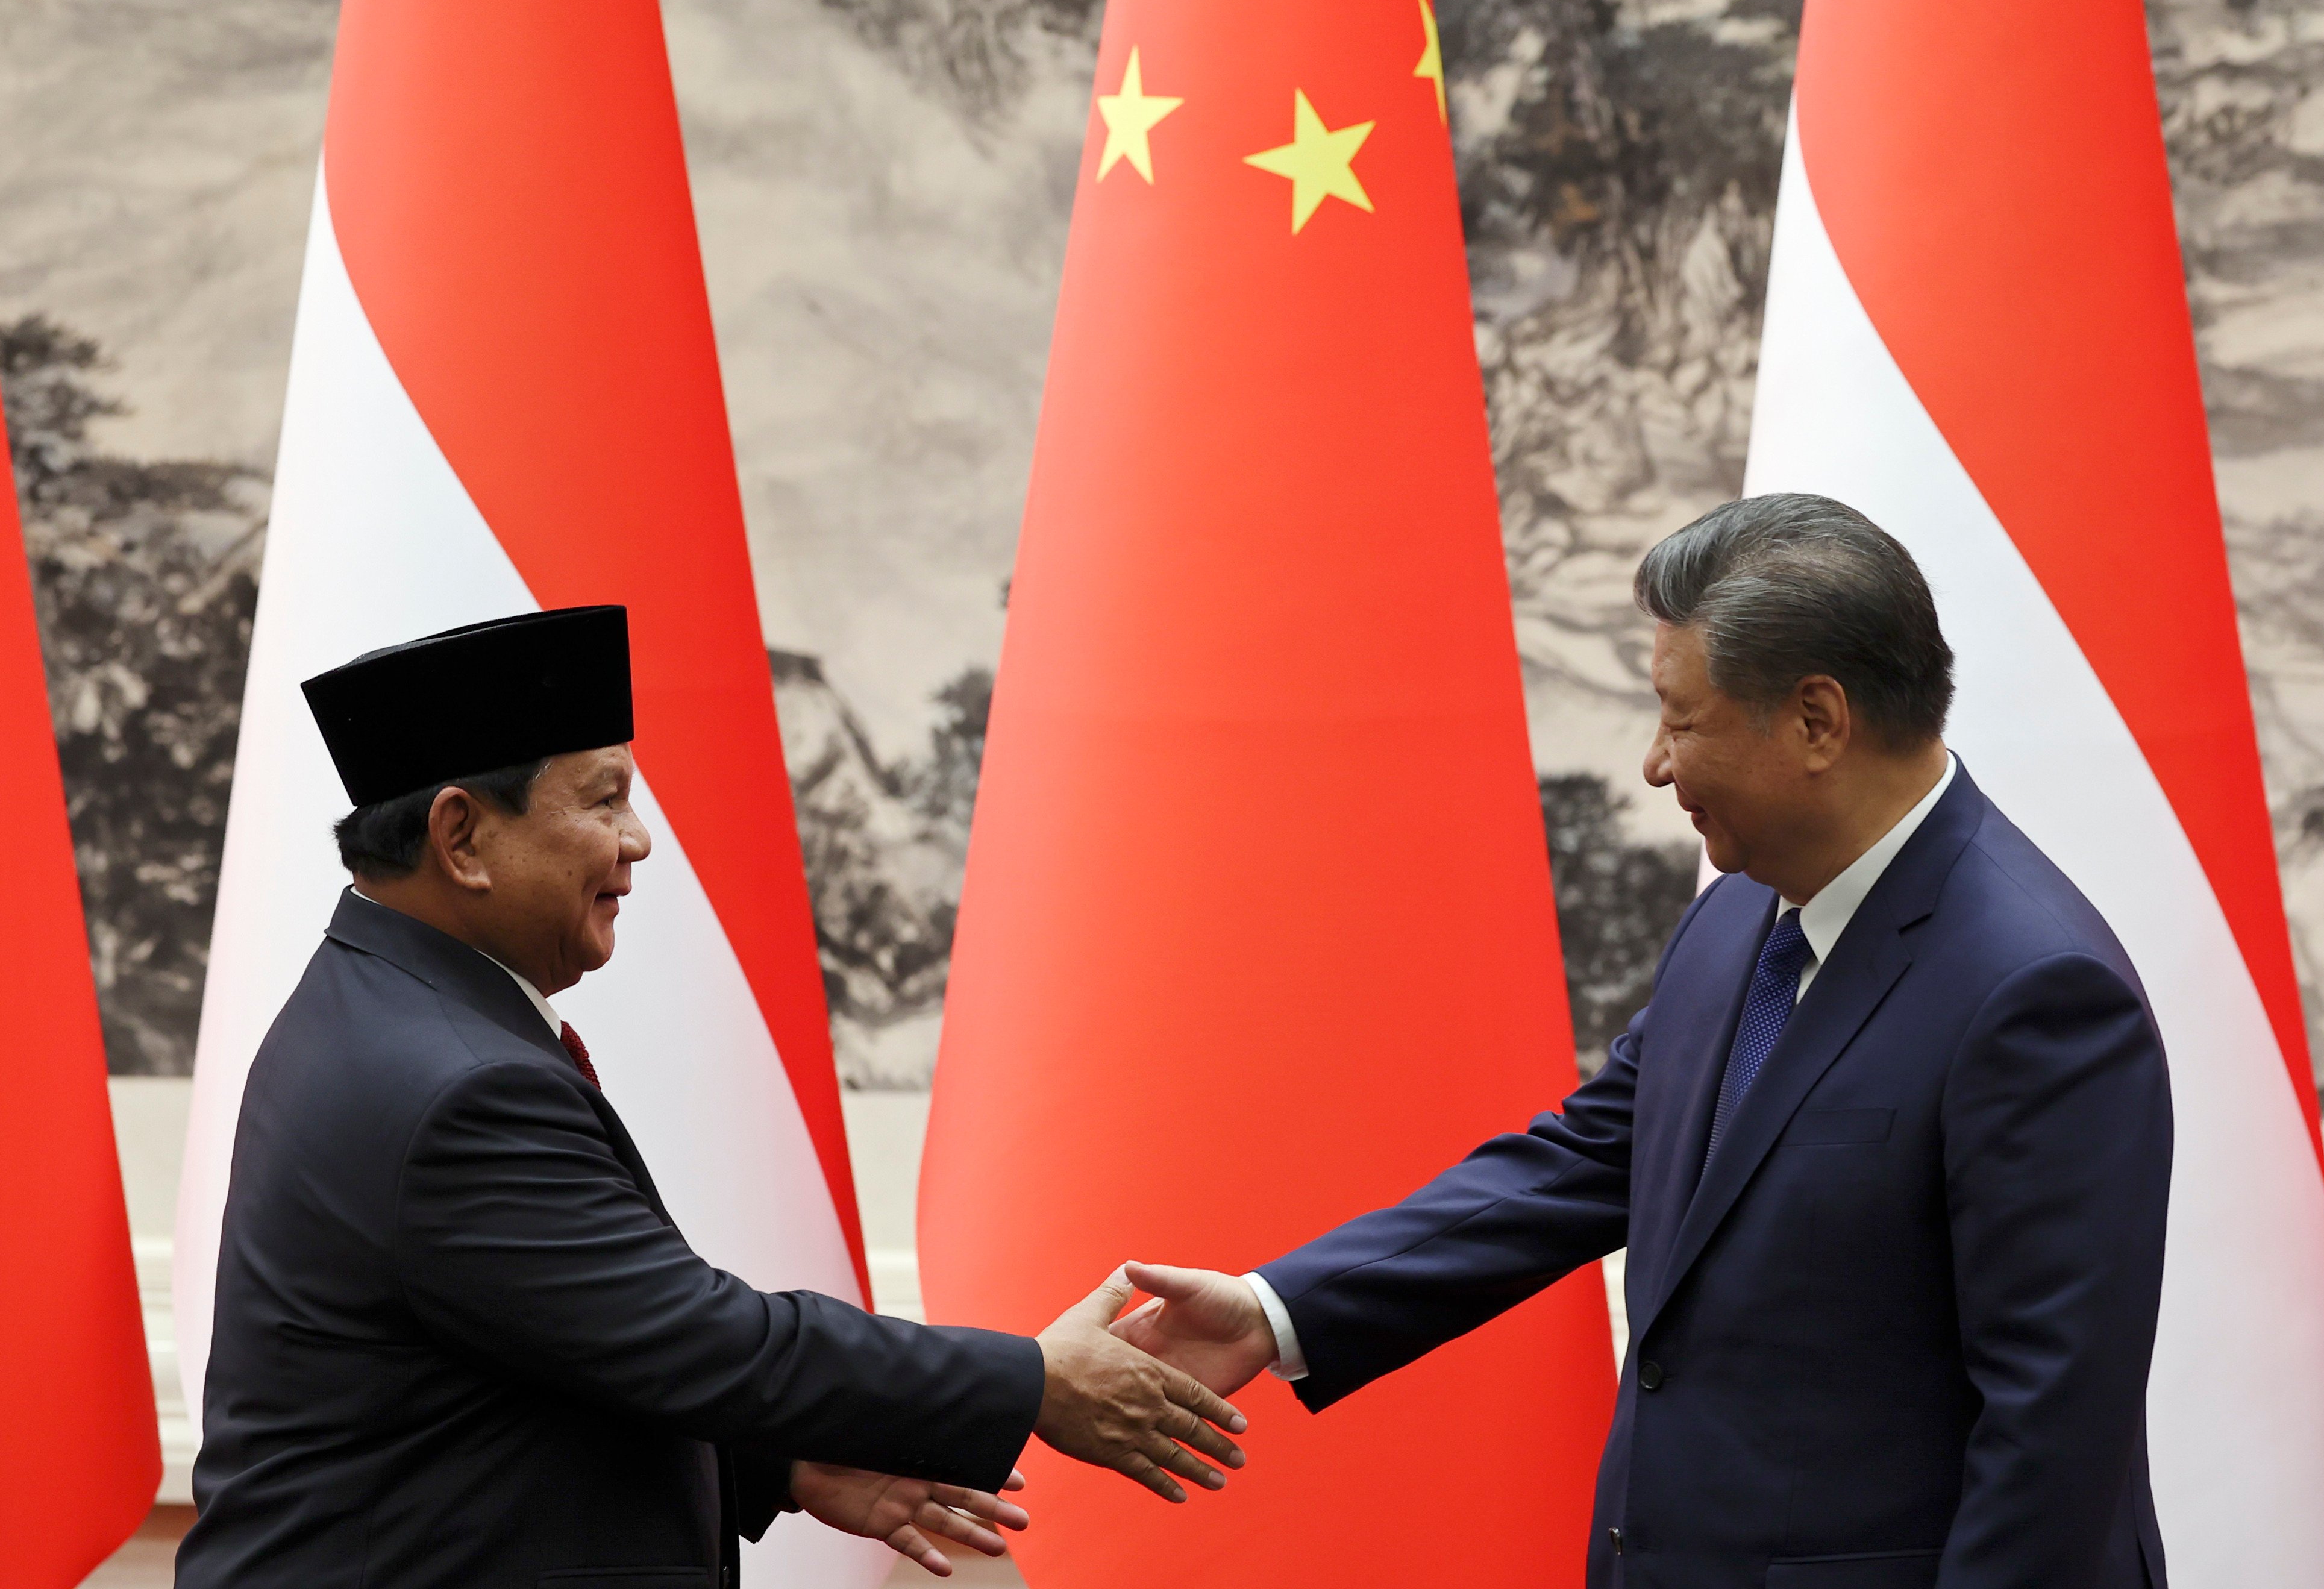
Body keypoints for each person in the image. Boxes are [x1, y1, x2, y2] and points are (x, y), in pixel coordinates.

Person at [1113, 495, 2173, 1589]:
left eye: (1681, 718)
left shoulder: (2037, 993)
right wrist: (1275, 1310)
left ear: (1817, 721)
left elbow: (2054, 1429)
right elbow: (1591, 1157)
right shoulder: (1738, 915)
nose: (1654, 766)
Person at [178, 606, 1245, 1588]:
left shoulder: (378, 1006)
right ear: (461, 839)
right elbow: (701, 1337)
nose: (638, 843)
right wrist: (1032, 1382)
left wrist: (772, 1467)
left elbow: (525, 1365)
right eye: (604, 801)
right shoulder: (458, 1083)